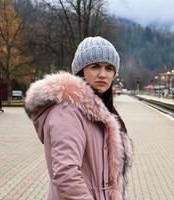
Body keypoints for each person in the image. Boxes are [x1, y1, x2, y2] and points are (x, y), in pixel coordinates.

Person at [25, 36, 132, 200]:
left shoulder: (104, 114)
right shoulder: (67, 111)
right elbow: (66, 173)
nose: (103, 74)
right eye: (95, 66)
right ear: (81, 70)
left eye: (109, 68)